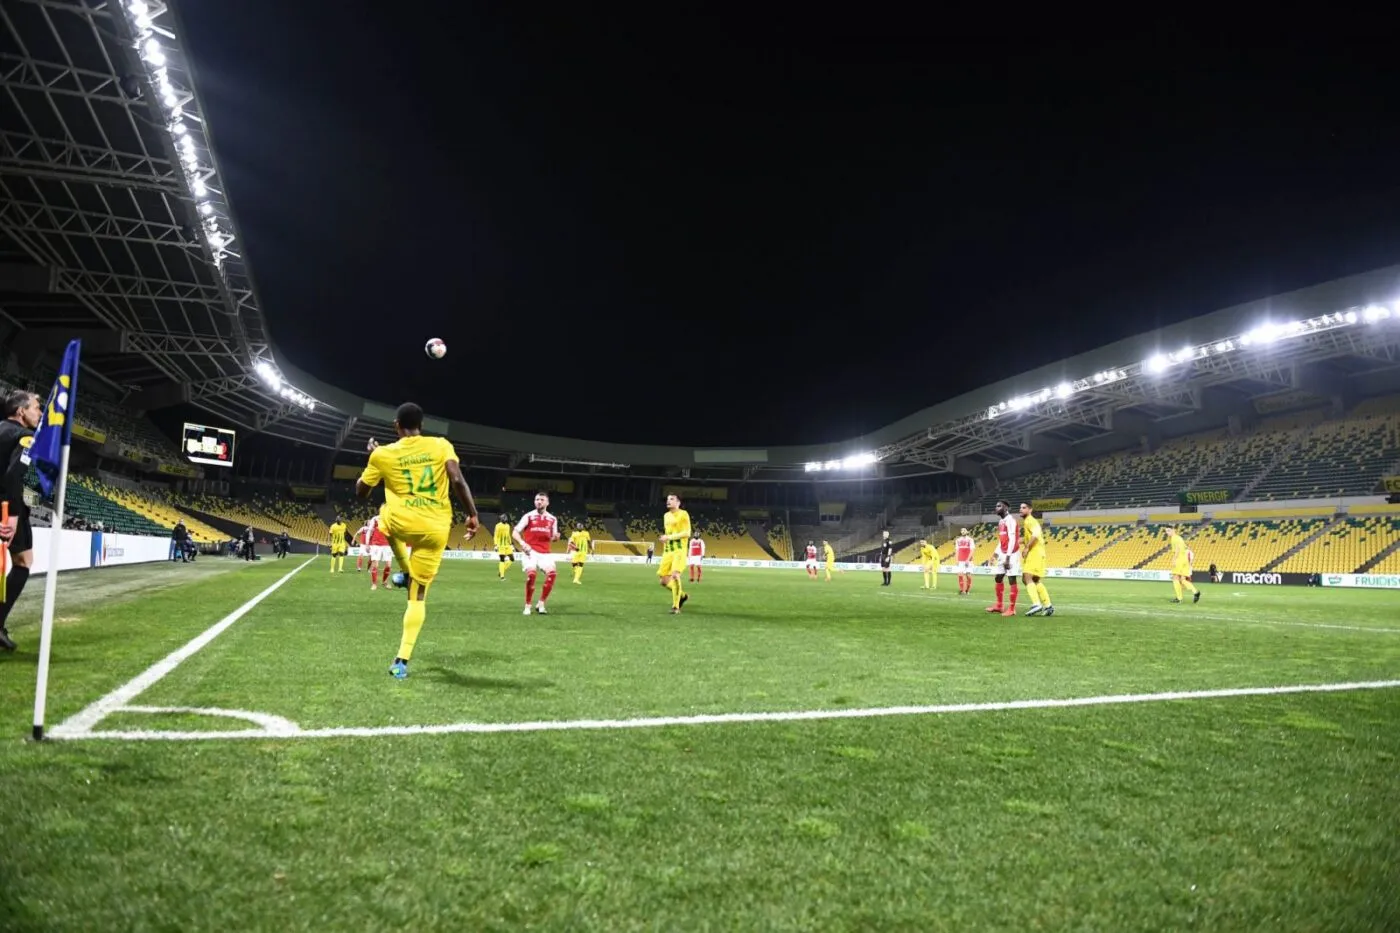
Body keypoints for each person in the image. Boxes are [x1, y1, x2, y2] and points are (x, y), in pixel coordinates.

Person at [357, 402, 479, 678]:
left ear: (396, 426)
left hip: (401, 525)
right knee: (418, 598)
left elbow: (361, 492)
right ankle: (401, 661)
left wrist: (375, 458)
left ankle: (403, 569)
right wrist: (472, 514)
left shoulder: (383, 454)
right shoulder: (441, 445)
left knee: (383, 516)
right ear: (421, 426)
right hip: (436, 530)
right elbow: (457, 479)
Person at [0, 389, 42, 652]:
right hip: (7, 506)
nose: (39, 413)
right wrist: (12, 516)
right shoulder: (25, 437)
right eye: (36, 407)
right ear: (20, 411)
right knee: (23, 562)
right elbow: (13, 476)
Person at [512, 493, 560, 614]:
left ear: (547, 503)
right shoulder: (528, 516)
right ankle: (527, 606)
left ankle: (541, 603)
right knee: (532, 575)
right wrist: (522, 543)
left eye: (542, 500)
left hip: (545, 553)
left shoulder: (553, 519)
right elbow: (515, 532)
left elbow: (552, 537)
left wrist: (556, 537)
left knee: (552, 574)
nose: (539, 502)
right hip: (530, 552)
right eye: (537, 499)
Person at [656, 493, 691, 613]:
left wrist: (669, 537)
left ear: (678, 503)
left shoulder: (683, 514)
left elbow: (687, 533)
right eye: (667, 499)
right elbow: (669, 533)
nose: (668, 501)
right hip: (668, 551)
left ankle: (676, 607)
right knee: (663, 581)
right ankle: (682, 595)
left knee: (675, 575)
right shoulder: (666, 516)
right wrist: (665, 539)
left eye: (672, 499)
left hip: (679, 550)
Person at [985, 501, 1020, 616]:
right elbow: (1002, 541)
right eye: (996, 506)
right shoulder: (1001, 522)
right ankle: (999, 606)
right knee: (998, 578)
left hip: (1012, 553)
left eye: (999, 506)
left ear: (1006, 508)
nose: (996, 508)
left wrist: (1008, 558)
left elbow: (1013, 540)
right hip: (1003, 553)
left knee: (1011, 579)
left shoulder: (1010, 520)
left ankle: (1011, 609)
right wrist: (995, 554)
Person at [1019, 503, 1053, 616]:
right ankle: (1048, 606)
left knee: (1026, 577)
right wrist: (1019, 541)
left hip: (1035, 552)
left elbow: (1036, 533)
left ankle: (1036, 604)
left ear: (1030, 510)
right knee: (1034, 580)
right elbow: (1030, 536)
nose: (1021, 510)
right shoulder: (1028, 521)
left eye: (1024, 508)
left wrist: (1027, 547)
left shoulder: (1030, 520)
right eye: (1020, 508)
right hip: (1039, 552)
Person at [1164, 525, 1201, 604]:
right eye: (1166, 531)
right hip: (1185, 560)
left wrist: (1174, 559)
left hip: (1179, 560)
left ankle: (1179, 598)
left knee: (1175, 578)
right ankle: (1195, 592)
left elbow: (1177, 550)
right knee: (1183, 580)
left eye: (1168, 530)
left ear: (1173, 530)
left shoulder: (1174, 538)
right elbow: (1187, 548)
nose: (1167, 533)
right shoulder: (1179, 538)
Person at [954, 527, 976, 595]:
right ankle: (962, 590)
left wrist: (968, 559)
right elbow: (957, 550)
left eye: (964, 530)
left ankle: (967, 590)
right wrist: (956, 559)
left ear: (967, 532)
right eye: (961, 530)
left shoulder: (970, 540)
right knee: (960, 574)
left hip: (968, 560)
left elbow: (972, 550)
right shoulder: (958, 540)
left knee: (968, 575)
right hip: (960, 560)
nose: (962, 531)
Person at [493, 513, 514, 580]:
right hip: (500, 545)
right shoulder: (498, 526)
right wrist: (496, 545)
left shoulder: (508, 526)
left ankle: (502, 571)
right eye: (504, 518)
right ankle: (502, 577)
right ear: (501, 519)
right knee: (502, 559)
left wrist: (511, 544)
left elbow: (508, 536)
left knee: (512, 559)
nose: (505, 519)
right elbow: (496, 535)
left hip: (507, 545)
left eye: (506, 518)